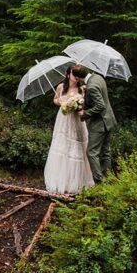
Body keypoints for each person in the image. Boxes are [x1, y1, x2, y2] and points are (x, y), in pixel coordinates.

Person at [43, 66, 95, 195]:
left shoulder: (82, 88)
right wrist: (62, 103)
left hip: (76, 120)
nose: (76, 77)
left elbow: (84, 104)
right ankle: (61, 180)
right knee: (63, 145)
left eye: (77, 75)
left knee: (77, 146)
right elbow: (55, 99)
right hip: (63, 119)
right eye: (73, 74)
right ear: (68, 75)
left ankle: (78, 182)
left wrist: (77, 105)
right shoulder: (61, 87)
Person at [72, 63, 117, 183]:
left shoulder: (91, 86)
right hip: (109, 120)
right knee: (106, 151)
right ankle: (108, 178)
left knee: (92, 152)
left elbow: (100, 105)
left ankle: (100, 182)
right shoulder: (98, 77)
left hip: (99, 124)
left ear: (77, 78)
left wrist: (85, 113)